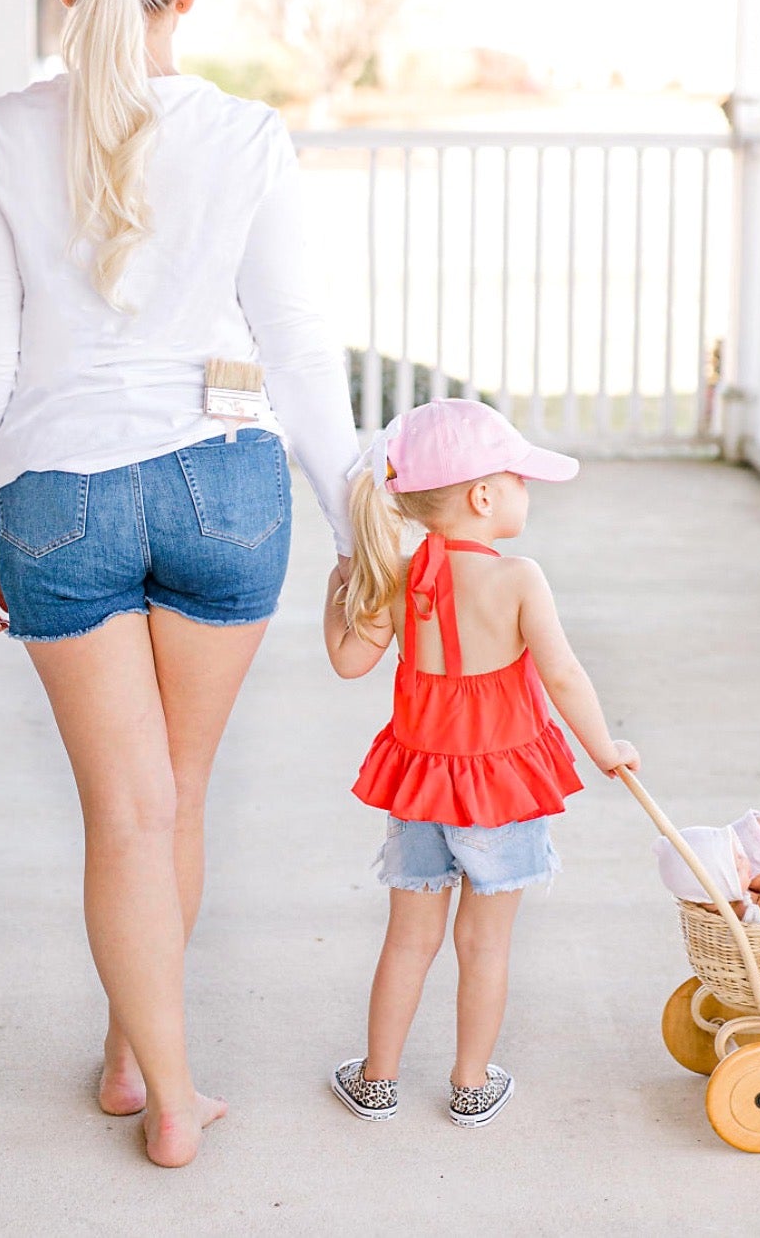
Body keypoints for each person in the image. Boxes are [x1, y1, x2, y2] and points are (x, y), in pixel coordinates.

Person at [0, 0, 360, 1168]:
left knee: (123, 813)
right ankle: (144, 1060)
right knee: (175, 800)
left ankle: (161, 1089)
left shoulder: (3, 133)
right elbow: (297, 350)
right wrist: (357, 522)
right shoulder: (245, 137)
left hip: (57, 499)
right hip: (227, 488)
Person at [322, 398, 640, 1127]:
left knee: (409, 939)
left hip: (423, 783)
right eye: (521, 479)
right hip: (503, 787)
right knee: (484, 943)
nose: (528, 493)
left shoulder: (396, 576)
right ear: (484, 495)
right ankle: (470, 1085)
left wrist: (340, 583)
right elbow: (563, 676)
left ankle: (377, 1080)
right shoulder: (519, 578)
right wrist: (604, 749)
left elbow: (348, 661)